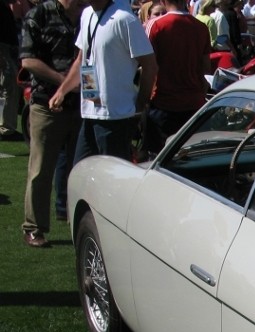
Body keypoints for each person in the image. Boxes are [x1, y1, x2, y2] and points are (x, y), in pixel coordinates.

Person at [49, 0, 157, 165]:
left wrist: (141, 104)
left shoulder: (124, 19)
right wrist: (62, 91)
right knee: (83, 172)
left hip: (116, 117)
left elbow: (149, 65)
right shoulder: (87, 14)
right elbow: (81, 59)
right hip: (89, 113)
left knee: (114, 178)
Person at [19, 0, 83, 247]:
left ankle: (74, 221)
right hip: (46, 102)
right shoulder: (39, 15)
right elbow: (28, 60)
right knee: (40, 169)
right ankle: (34, 227)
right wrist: (64, 81)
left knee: (79, 167)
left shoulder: (88, 15)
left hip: (82, 104)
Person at [145, 0, 210, 154]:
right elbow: (206, 68)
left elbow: (148, 67)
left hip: (163, 105)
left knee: (157, 160)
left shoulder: (156, 25)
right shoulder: (201, 27)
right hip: (193, 105)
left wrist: (142, 100)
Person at [1, 0, 22, 140]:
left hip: (6, 46)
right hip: (3, 47)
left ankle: (5, 127)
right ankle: (5, 129)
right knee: (9, 86)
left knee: (7, 86)